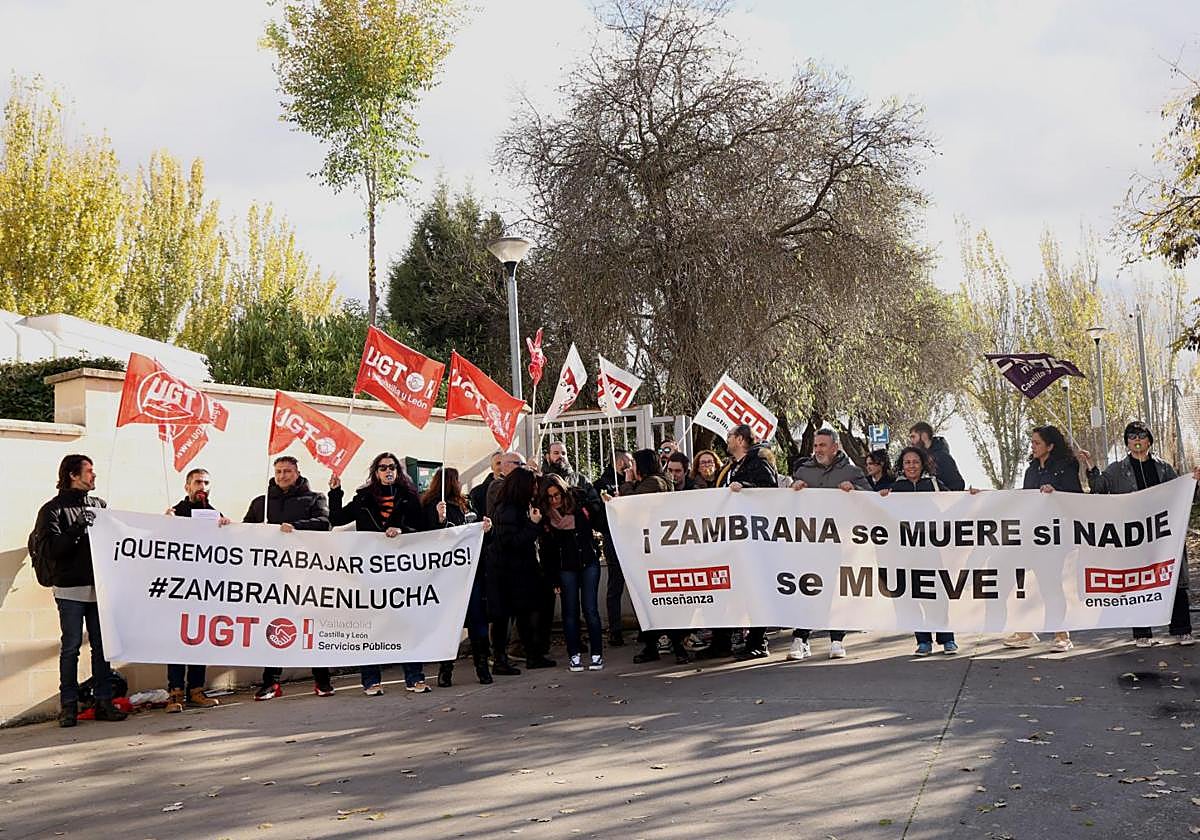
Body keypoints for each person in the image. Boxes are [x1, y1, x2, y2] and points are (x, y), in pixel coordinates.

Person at [1080, 421, 1200, 647]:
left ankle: (1182, 630)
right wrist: (1090, 466)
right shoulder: (1117, 470)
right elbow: (1099, 488)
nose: (1136, 440)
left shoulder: (1164, 468)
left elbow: (1181, 495)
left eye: (1141, 436)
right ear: (1126, 443)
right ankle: (1142, 634)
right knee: (1138, 582)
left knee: (1172, 578)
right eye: (1132, 437)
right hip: (1135, 538)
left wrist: (1193, 482)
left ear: (1149, 441)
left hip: (1163, 534)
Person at [33, 454, 128, 727]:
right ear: (74, 475)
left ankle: (104, 702)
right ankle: (69, 706)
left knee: (102, 648)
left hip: (100, 589)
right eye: (89, 471)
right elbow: (52, 551)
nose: (94, 475)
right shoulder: (52, 510)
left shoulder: (99, 506)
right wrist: (76, 528)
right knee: (71, 648)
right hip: (69, 590)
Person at [329, 452, 424, 694]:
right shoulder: (363, 499)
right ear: (376, 472)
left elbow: (422, 527)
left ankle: (414, 677)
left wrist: (401, 528)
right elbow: (337, 518)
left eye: (392, 467)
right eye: (383, 468)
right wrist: (335, 492)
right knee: (369, 626)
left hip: (400, 573)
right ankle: (371, 680)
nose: (388, 471)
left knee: (406, 625)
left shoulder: (409, 497)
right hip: (369, 573)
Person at [245, 456, 333, 700]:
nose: (282, 475)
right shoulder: (260, 503)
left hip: (307, 574)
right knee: (275, 626)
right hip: (272, 576)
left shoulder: (315, 498)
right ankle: (271, 682)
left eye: (287, 471)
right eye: (278, 471)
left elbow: (325, 524)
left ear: (297, 472)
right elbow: (245, 531)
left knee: (311, 626)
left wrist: (295, 526)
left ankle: (322, 680)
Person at [788, 428, 870, 660]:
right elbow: (787, 503)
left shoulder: (852, 472)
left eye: (823, 445)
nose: (818, 450)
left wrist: (856, 490)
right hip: (809, 542)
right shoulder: (804, 471)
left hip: (839, 543)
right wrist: (793, 489)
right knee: (806, 589)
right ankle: (801, 638)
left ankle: (837, 640)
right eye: (815, 446)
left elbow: (871, 498)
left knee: (835, 591)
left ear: (835, 447)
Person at [1004, 426, 1082, 652]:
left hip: (1054, 537)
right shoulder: (1030, 470)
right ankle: (1026, 631)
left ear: (1050, 446)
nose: (1033, 446)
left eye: (1037, 442)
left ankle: (1061, 634)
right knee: (1023, 583)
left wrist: (1055, 491)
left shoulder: (1066, 467)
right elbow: (1025, 499)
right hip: (1031, 536)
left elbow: (1075, 497)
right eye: (1032, 442)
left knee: (1050, 584)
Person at [707, 425, 779, 660]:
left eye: (729, 436)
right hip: (732, 538)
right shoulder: (731, 466)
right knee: (727, 589)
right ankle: (722, 641)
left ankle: (759, 641)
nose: (726, 440)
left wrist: (745, 487)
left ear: (739, 439)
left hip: (752, 538)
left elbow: (770, 490)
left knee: (754, 590)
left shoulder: (758, 461)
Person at [163, 468, 230, 713]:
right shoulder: (175, 513)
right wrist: (164, 524)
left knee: (199, 637)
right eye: (197, 482)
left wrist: (226, 528)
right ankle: (175, 693)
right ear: (187, 487)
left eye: (206, 483)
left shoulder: (214, 514)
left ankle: (196, 690)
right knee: (177, 641)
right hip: (180, 588)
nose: (202, 486)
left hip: (204, 588)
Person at [617, 449, 691, 665]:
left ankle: (677, 648)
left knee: (662, 602)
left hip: (655, 551)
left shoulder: (654, 483)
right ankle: (652, 646)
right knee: (648, 602)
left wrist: (627, 482)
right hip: (648, 550)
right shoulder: (658, 481)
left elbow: (631, 504)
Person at [421, 467, 494, 686]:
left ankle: (482, 667)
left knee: (477, 620)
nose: (461, 484)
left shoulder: (467, 504)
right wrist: (439, 521)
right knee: (449, 623)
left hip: (471, 573)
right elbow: (429, 537)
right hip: (448, 576)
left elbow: (474, 535)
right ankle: (446, 670)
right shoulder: (431, 506)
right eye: (458, 480)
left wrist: (485, 531)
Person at [883, 446, 957, 656]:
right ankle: (923, 641)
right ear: (902, 466)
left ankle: (947, 638)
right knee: (914, 594)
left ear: (923, 463)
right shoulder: (896, 488)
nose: (911, 466)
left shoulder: (933, 484)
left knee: (938, 595)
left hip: (931, 550)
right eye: (907, 462)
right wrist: (882, 498)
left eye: (915, 461)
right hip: (907, 552)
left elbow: (954, 502)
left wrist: (972, 497)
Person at [488, 467, 554, 672]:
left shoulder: (520, 506)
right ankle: (500, 660)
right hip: (507, 572)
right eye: (532, 485)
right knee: (504, 617)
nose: (535, 488)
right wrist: (533, 525)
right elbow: (511, 542)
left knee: (525, 614)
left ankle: (532, 655)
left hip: (520, 570)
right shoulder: (507, 509)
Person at [539, 473, 605, 672]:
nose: (554, 500)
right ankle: (574, 654)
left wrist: (604, 504)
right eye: (550, 497)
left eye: (557, 495)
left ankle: (597, 653)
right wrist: (553, 580)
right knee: (570, 612)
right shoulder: (545, 516)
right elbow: (547, 551)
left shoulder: (579, 504)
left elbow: (600, 523)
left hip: (588, 561)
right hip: (565, 567)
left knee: (590, 609)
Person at [595, 448, 633, 645]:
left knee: (637, 584)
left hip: (634, 538)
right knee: (615, 586)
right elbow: (596, 515)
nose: (630, 465)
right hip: (614, 539)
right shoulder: (602, 484)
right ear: (617, 463)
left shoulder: (634, 481)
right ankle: (615, 631)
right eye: (627, 461)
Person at [909, 421, 965, 491]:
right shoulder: (918, 460)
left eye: (913, 437)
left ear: (924, 435)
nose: (911, 441)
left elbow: (958, 485)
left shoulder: (943, 458)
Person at [469, 451, 503, 520]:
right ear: (492, 467)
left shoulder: (516, 488)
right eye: (498, 463)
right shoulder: (477, 493)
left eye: (505, 463)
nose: (502, 466)